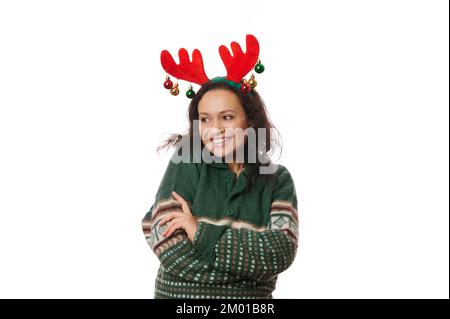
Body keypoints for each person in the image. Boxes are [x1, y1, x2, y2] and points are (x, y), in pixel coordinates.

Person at [142, 35, 299, 299]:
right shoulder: (187, 160)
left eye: (227, 117)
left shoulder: (277, 179)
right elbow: (164, 237)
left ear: (249, 121)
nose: (215, 129)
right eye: (205, 119)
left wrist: (199, 232)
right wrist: (245, 281)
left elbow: (280, 252)